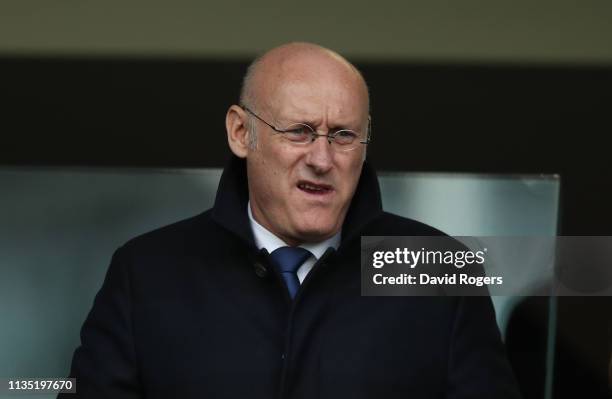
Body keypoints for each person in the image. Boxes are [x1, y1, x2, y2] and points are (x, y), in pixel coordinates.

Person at [61, 42, 521, 398]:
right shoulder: (148, 273)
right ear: (242, 133)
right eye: (299, 132)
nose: (321, 159)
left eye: (343, 135)